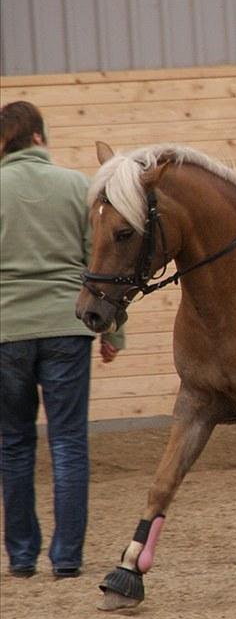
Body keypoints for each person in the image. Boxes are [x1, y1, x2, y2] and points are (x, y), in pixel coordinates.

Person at [0, 101, 124, 579]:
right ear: (38, 137)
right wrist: (111, 331)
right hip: (67, 327)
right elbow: (101, 261)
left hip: (7, 331)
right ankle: (67, 558)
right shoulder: (77, 186)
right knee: (69, 441)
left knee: (14, 444)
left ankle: (22, 556)